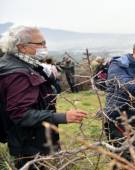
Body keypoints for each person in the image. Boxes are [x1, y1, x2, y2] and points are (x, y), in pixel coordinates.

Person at [0, 26, 87, 169]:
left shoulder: (24, 64)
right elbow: (20, 114)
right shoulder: (17, 74)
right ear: (22, 47)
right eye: (41, 43)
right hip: (31, 146)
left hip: (32, 140)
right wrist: (62, 117)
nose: (45, 47)